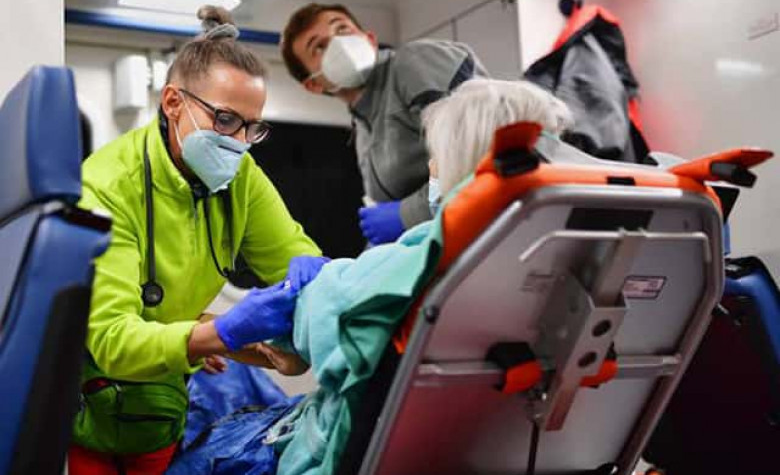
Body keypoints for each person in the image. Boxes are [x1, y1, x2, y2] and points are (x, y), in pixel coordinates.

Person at [166, 79, 572, 475]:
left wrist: (230, 324)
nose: (431, 167)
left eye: (436, 155)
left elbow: (306, 327)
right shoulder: (552, 265)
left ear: (460, 159)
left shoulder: (422, 257)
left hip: (325, 450)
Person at [68, 6, 328, 475]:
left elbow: (296, 258)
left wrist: (304, 314)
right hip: (92, 405)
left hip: (163, 408)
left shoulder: (241, 176)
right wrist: (219, 334)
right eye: (225, 120)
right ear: (173, 102)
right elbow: (112, 340)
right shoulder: (107, 185)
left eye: (252, 128)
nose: (239, 142)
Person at [280, 3, 489, 246]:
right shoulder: (364, 132)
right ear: (313, 85)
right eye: (319, 46)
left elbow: (476, 154)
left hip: (495, 228)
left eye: (342, 29)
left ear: (369, 39)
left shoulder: (416, 62)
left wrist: (406, 214)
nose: (338, 44)